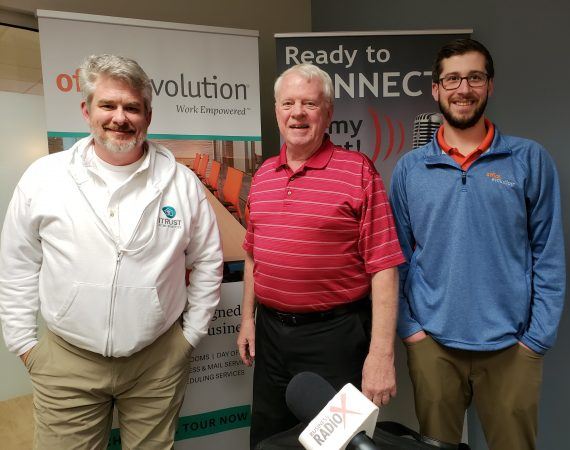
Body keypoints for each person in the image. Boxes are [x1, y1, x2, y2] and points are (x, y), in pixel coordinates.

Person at [0, 54, 223, 449]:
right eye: (108, 105)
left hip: (157, 361)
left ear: (148, 116)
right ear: (86, 111)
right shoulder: (44, 177)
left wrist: (188, 338)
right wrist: (24, 344)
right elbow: (17, 262)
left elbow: (207, 261)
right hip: (67, 363)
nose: (120, 118)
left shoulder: (182, 184)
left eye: (132, 107)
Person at [390, 38, 565, 450]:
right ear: (435, 89)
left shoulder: (529, 160)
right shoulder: (410, 169)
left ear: (490, 85)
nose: (463, 89)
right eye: (452, 79)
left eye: (474, 77)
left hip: (512, 348)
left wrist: (536, 340)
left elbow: (548, 254)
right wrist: (410, 331)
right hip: (433, 346)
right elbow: (396, 258)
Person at [237, 63, 405, 448]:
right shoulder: (262, 175)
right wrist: (247, 318)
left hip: (335, 339)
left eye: (309, 104)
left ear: (327, 113)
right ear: (277, 111)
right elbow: (252, 255)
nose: (297, 113)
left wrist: (381, 354)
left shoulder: (358, 172)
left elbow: (384, 267)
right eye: (288, 103)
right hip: (271, 336)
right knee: (268, 441)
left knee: (336, 445)